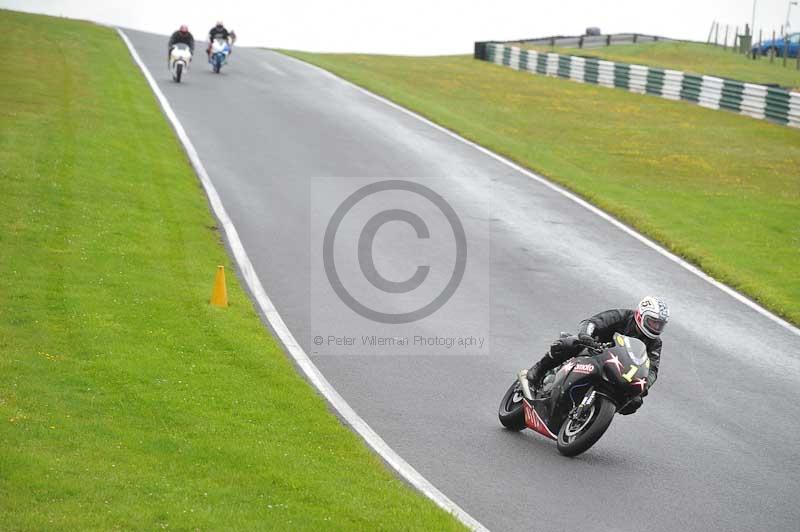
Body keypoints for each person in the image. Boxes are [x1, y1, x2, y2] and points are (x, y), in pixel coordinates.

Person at [526, 296, 669, 414]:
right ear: (640, 315)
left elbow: (652, 369)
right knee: (568, 343)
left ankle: (595, 414)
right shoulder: (622, 316)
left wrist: (644, 385)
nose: (655, 327)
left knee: (635, 402)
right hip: (595, 352)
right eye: (652, 322)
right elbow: (593, 322)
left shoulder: (655, 343)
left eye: (659, 325)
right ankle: (538, 370)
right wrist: (586, 336)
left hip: (619, 371)